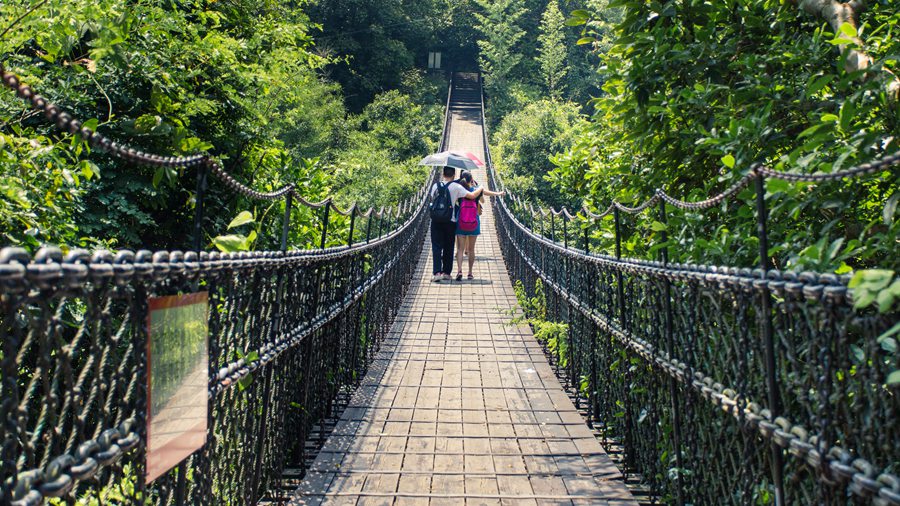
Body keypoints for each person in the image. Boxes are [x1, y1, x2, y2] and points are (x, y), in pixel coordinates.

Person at [430, 166, 483, 282]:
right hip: (450, 221)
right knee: (449, 246)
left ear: (443, 174)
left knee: (436, 246)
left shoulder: (435, 185)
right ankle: (446, 273)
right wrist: (481, 188)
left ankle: (437, 273)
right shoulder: (456, 187)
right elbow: (472, 196)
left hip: (436, 220)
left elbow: (431, 200)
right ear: (454, 175)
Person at [453, 170, 503, 280]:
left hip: (461, 222)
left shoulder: (459, 190)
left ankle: (459, 271)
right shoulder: (476, 190)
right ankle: (470, 273)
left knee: (460, 249)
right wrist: (498, 193)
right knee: (471, 249)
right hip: (473, 222)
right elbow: (486, 193)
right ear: (471, 180)